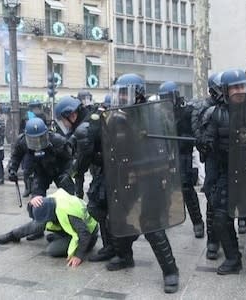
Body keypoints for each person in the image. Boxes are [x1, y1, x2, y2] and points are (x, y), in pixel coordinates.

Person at [103, 74, 180, 293]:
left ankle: (171, 271)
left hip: (152, 175)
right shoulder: (117, 117)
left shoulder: (153, 113)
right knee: (116, 217)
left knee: (150, 224)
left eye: (125, 92)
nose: (121, 97)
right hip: (128, 175)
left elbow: (164, 145)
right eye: (119, 92)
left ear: (138, 93)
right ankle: (125, 256)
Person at [203, 69, 246, 277]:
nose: (240, 90)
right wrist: (206, 143)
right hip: (227, 173)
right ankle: (233, 259)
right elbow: (209, 145)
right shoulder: (215, 114)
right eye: (235, 87)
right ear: (225, 90)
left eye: (242, 86)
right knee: (220, 217)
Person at [55, 96, 116, 262]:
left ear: (72, 115)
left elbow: (82, 161)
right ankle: (111, 247)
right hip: (112, 166)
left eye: (64, 120)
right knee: (102, 206)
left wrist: (70, 174)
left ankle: (114, 248)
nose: (64, 124)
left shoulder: (83, 128)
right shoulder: (91, 118)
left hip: (111, 169)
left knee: (97, 207)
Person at [0, 188, 98, 264]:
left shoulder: (68, 212)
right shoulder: (51, 200)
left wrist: (78, 256)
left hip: (89, 236)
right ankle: (13, 235)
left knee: (52, 250)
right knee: (39, 224)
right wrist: (31, 203)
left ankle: (63, 239)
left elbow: (85, 234)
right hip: (74, 228)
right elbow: (35, 217)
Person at [158, 81, 204, 239]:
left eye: (168, 97)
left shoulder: (187, 111)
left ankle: (198, 222)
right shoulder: (161, 113)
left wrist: (182, 139)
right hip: (167, 154)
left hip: (184, 154)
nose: (166, 101)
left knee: (186, 190)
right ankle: (167, 217)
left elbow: (194, 133)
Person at [192, 73, 224, 259]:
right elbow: (197, 133)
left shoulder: (234, 104)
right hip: (213, 158)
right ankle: (213, 241)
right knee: (213, 199)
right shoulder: (202, 107)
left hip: (234, 157)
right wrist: (205, 143)